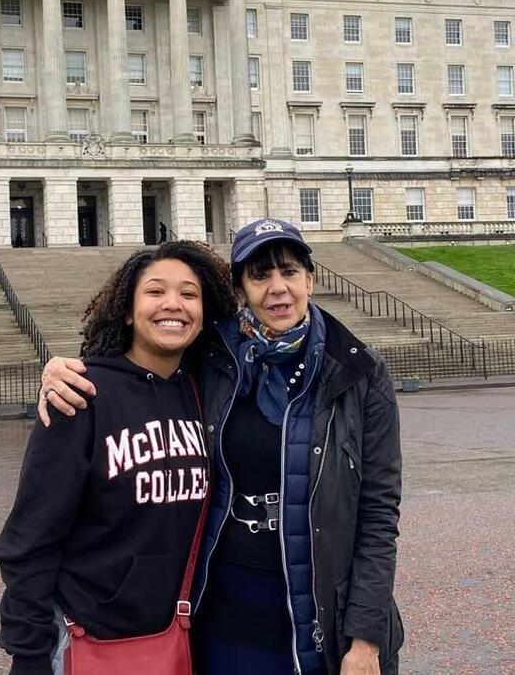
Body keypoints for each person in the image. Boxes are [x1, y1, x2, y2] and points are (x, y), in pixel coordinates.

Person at [39, 219, 403, 675]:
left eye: (289, 272)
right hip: (223, 602)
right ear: (238, 288)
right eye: (259, 275)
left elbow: (378, 511)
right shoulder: (210, 356)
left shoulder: (359, 371)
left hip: (322, 607)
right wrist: (62, 370)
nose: (277, 289)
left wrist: (366, 639)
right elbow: (139, 360)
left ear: (310, 279)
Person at [0, 241, 236, 675]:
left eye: (189, 294)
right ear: (127, 310)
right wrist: (28, 653)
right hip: (85, 636)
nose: (173, 305)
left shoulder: (210, 392)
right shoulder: (81, 395)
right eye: (155, 291)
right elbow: (29, 540)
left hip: (176, 635)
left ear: (204, 314)